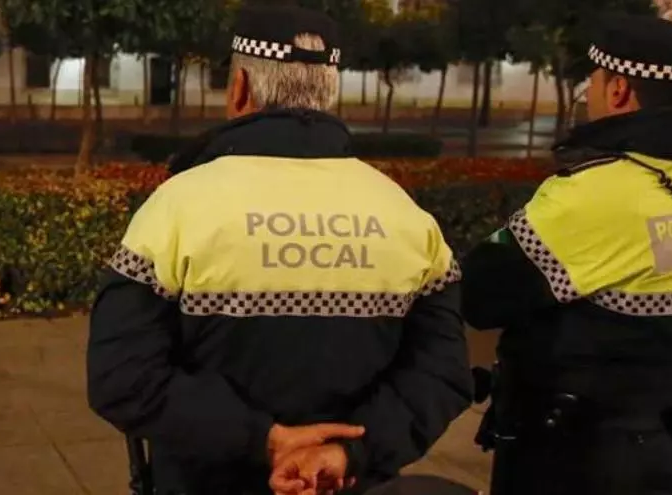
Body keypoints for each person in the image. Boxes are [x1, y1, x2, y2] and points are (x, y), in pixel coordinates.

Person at [86, 3, 473, 495]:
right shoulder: (405, 214)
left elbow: (122, 377)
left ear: (240, 87)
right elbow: (441, 374)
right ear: (329, 92)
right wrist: (347, 453)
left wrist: (266, 441)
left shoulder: (177, 206)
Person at [459, 13, 672, 495]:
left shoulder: (594, 193)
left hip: (566, 460)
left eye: (595, 79)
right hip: (666, 452)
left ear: (618, 90)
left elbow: (478, 294)